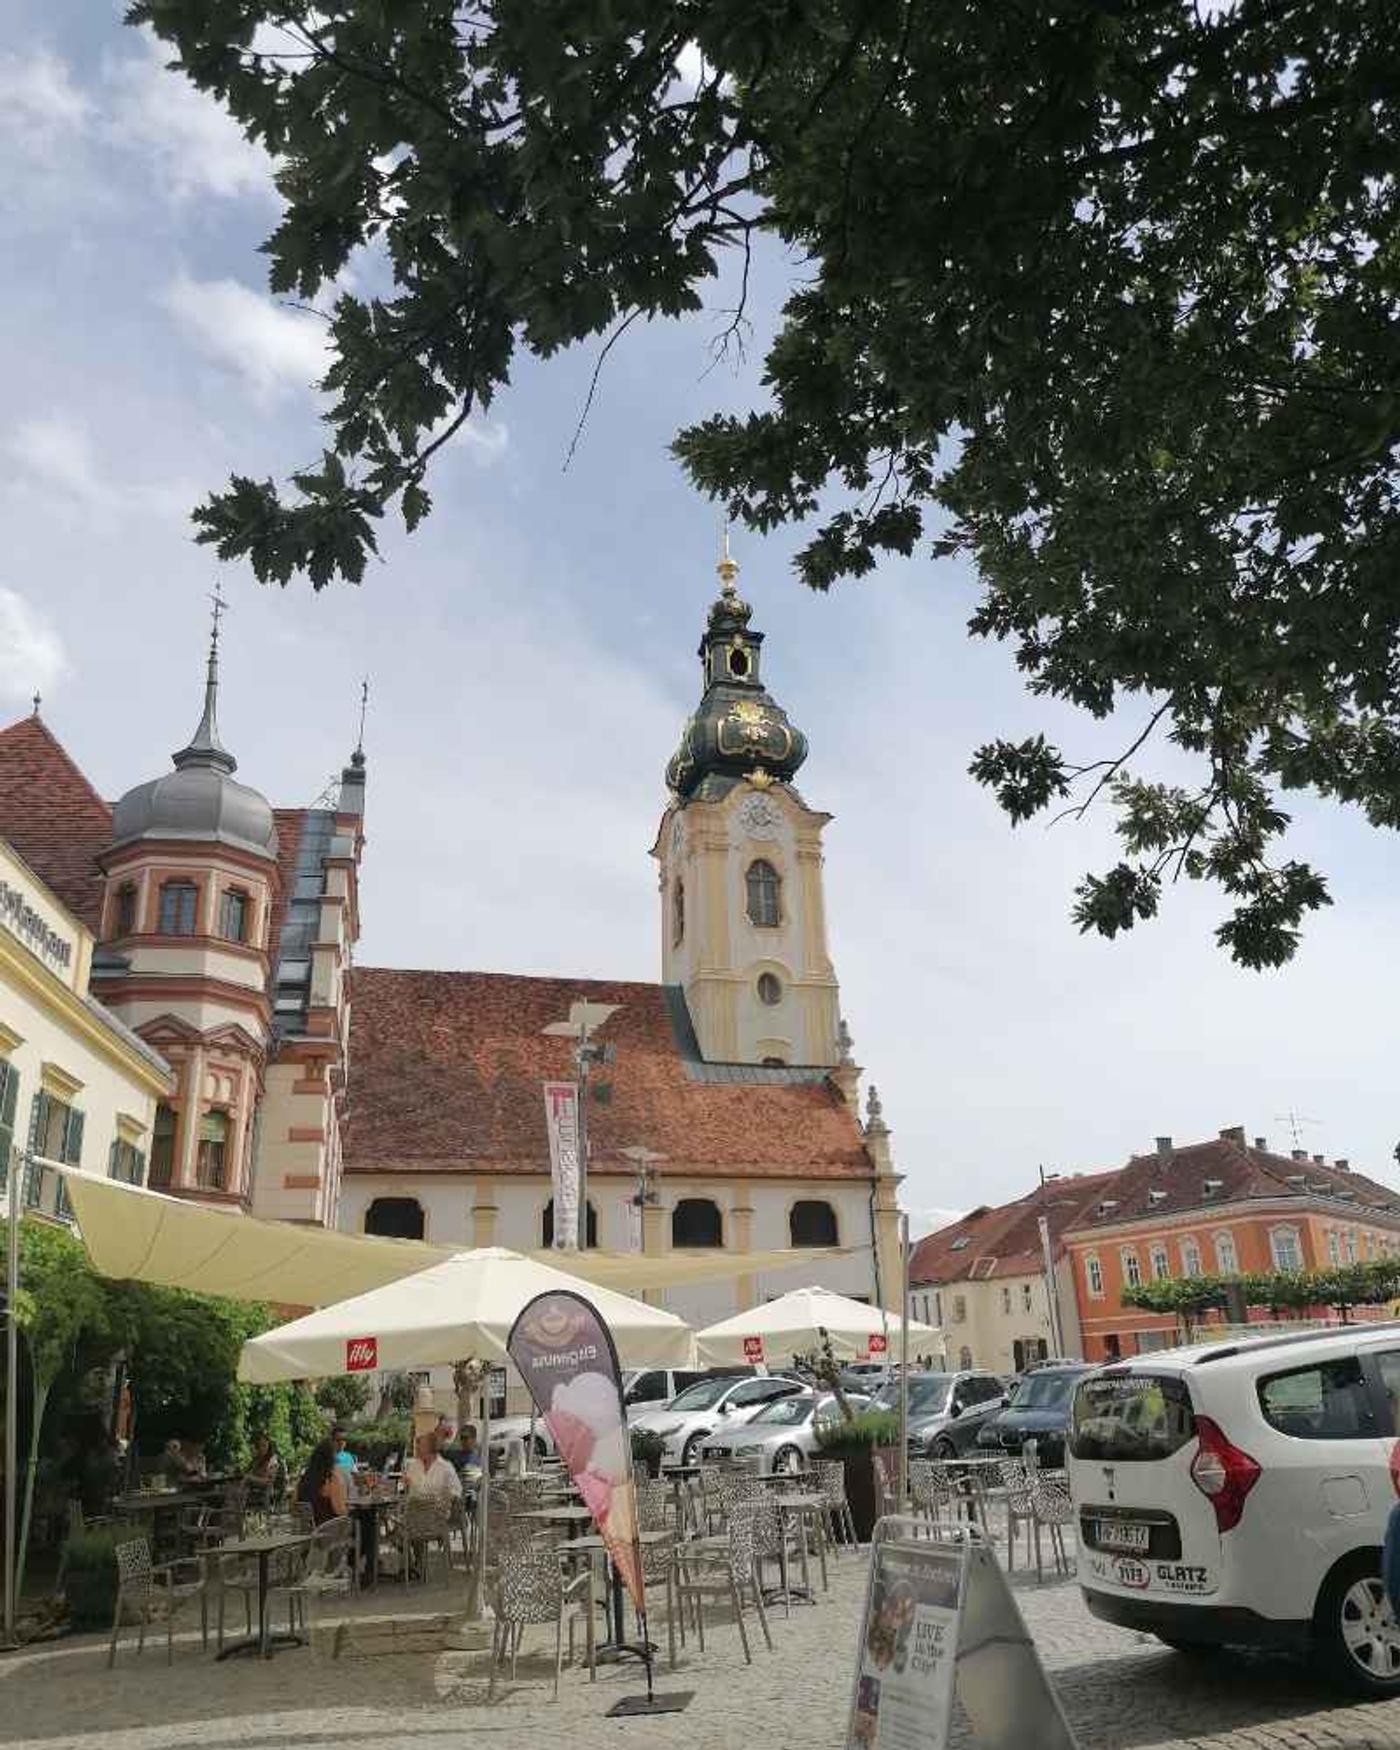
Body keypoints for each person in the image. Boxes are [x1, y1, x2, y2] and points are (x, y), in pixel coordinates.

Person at [297, 1437, 349, 1525]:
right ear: (331, 1458)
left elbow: (293, 1505)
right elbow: (339, 1510)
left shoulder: (304, 1478)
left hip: (307, 1532)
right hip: (329, 1531)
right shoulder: (332, 1479)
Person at [404, 1430, 463, 1507]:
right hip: (415, 1512)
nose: (417, 1448)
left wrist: (443, 1500)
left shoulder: (446, 1468)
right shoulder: (412, 1465)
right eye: (417, 1444)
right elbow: (408, 1490)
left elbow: (457, 1493)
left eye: (420, 1445)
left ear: (430, 1448)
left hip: (437, 1512)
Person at [245, 1432, 286, 1505]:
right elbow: (249, 1473)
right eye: (260, 1445)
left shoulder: (273, 1460)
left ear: (269, 1446)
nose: (262, 1448)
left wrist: (252, 1478)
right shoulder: (256, 1460)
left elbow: (270, 1480)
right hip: (254, 1487)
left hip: (268, 1489)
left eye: (264, 1445)